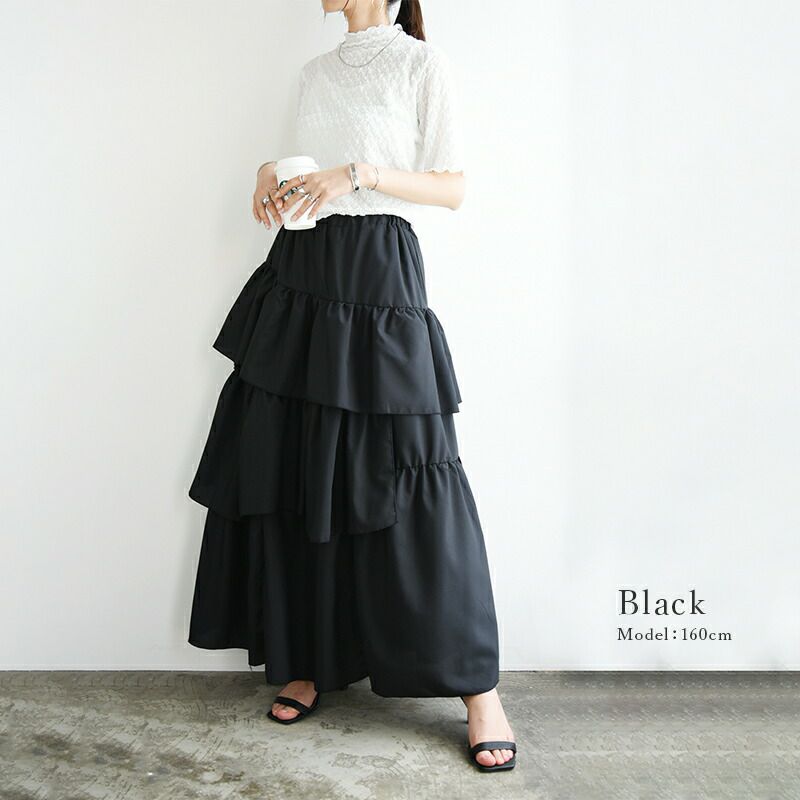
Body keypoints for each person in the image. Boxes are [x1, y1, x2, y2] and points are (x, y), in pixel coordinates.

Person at [187, 0, 517, 773]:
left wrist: (359, 173)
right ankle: (306, 658)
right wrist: (270, 175)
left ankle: (479, 690)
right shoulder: (314, 73)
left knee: (413, 463)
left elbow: (452, 186)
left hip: (378, 270)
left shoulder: (421, 64)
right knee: (299, 461)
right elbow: (308, 168)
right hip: (302, 272)